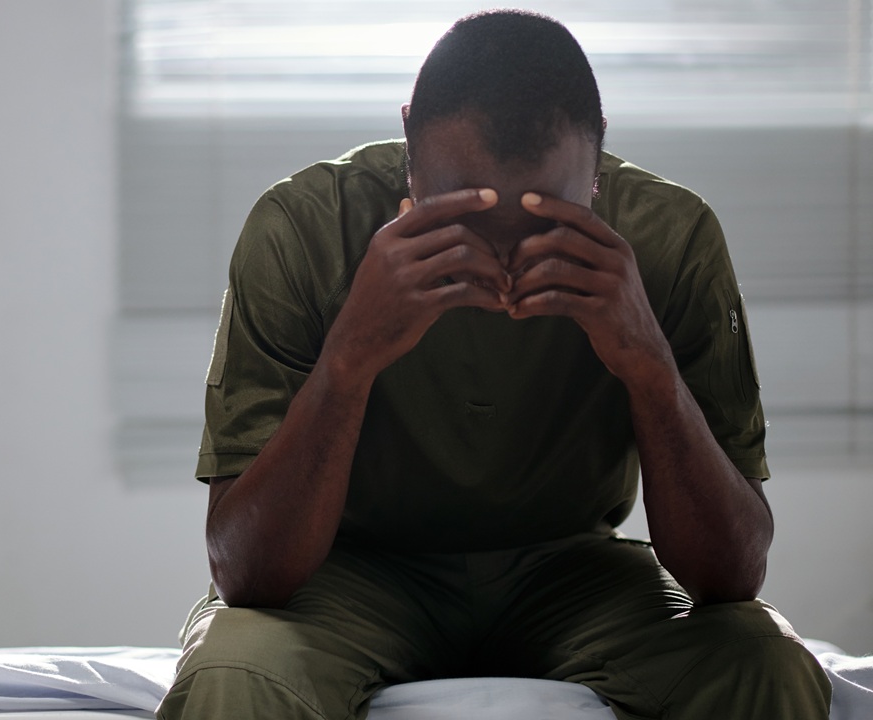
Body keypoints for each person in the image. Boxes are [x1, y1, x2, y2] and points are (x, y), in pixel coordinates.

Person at [156, 9, 832, 720]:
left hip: (572, 573)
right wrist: (350, 356)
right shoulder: (302, 230)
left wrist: (647, 362)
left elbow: (732, 576)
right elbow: (247, 574)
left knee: (766, 664)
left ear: (597, 172)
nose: (501, 261)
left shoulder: (670, 240)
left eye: (549, 227)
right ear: (409, 146)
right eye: (459, 220)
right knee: (235, 674)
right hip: (350, 573)